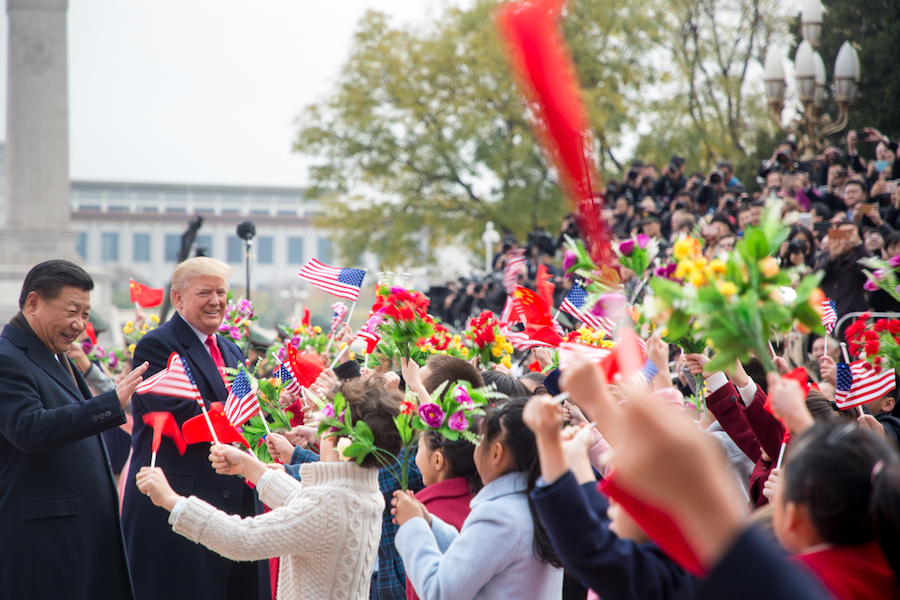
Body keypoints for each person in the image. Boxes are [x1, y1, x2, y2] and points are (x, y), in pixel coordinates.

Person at [136, 377, 399, 600]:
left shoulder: (328, 503)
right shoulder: (363, 490)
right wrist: (252, 468)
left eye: (325, 427)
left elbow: (242, 538)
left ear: (342, 442)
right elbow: (303, 502)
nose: (319, 434)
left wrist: (173, 501)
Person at [121, 257, 270, 600]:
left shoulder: (231, 348)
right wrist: (236, 411)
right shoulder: (158, 345)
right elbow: (181, 417)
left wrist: (273, 411)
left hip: (237, 507)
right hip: (179, 503)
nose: (216, 301)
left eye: (221, 292)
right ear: (178, 299)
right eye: (205, 292)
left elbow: (245, 413)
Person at [0, 260, 148, 600]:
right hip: (44, 543)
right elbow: (28, 429)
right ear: (33, 303)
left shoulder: (52, 355)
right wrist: (110, 402)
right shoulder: (8, 358)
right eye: (72, 311)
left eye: (86, 313)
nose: (79, 324)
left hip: (78, 537)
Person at [392, 398, 565, 599]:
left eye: (479, 442)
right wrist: (430, 525)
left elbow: (438, 592)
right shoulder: (540, 503)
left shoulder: (499, 514)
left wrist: (413, 526)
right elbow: (480, 556)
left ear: (496, 453)